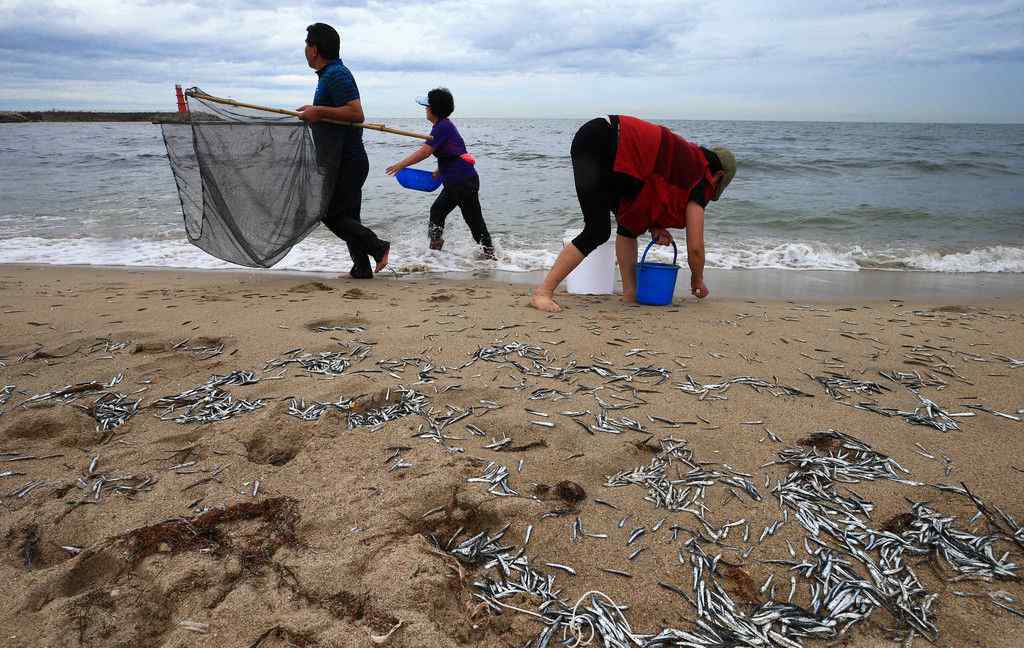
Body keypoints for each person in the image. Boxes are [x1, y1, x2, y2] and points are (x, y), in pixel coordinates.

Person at [530, 115, 735, 312]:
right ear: (718, 176)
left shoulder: (686, 161)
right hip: (600, 144)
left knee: (628, 225)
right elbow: (696, 247)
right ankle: (543, 292)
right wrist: (697, 279)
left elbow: (647, 191)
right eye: (715, 190)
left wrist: (654, 225)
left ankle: (630, 293)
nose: (709, 196)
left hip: (604, 143)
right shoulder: (700, 178)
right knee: (597, 230)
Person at [296, 22, 389, 278]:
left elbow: (356, 113)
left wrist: (319, 111)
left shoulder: (337, 74)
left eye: (307, 44)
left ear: (314, 49)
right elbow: (335, 113)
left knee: (328, 213)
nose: (305, 50)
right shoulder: (328, 76)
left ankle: (377, 247)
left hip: (347, 160)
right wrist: (315, 111)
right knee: (348, 215)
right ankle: (361, 269)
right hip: (342, 159)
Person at [385, 88, 495, 259]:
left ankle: (490, 255)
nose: (425, 109)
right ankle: (435, 251)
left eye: (427, 106)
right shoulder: (443, 126)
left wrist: (400, 164)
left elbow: (424, 152)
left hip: (462, 182)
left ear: (432, 109)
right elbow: (455, 150)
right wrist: (440, 169)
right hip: (456, 181)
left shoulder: (442, 127)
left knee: (473, 220)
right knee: (437, 211)